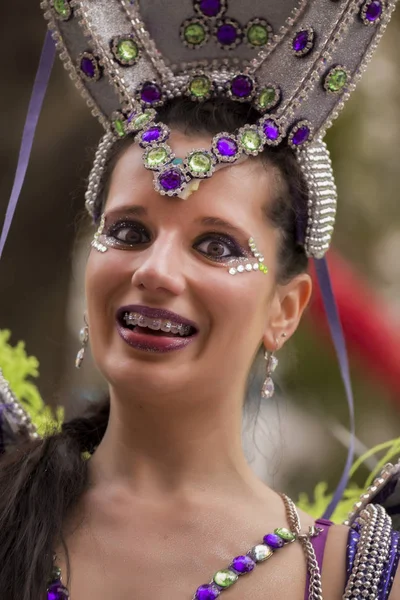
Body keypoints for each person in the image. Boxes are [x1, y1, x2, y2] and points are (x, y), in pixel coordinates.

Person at [0, 1, 399, 599]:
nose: (156, 271)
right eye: (129, 233)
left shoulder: (353, 576)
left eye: (215, 245)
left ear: (284, 310)